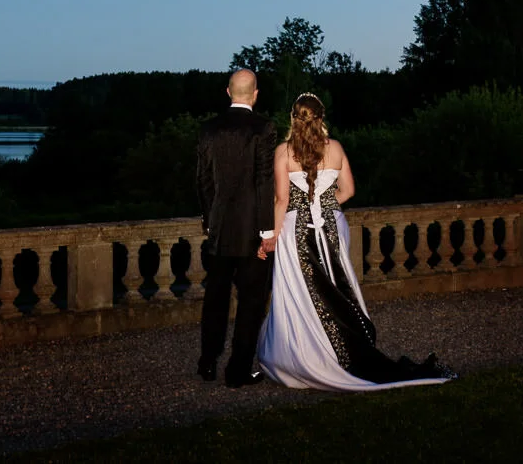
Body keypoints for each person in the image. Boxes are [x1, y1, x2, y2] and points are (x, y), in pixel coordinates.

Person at [257, 92, 458, 391]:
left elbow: (282, 200)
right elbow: (349, 191)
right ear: (321, 118)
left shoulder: (283, 153)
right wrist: (324, 206)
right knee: (336, 284)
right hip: (332, 227)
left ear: (293, 119)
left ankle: (304, 354)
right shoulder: (336, 148)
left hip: (295, 230)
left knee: (299, 292)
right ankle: (341, 346)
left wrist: (269, 237)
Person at [196, 69, 277, 388]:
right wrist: (267, 232)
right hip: (251, 234)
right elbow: (264, 182)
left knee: (215, 299)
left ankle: (207, 362)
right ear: (255, 95)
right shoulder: (263, 128)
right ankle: (237, 370)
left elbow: (203, 181)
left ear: (228, 92)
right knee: (251, 302)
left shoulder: (208, 129)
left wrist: (209, 221)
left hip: (218, 232)